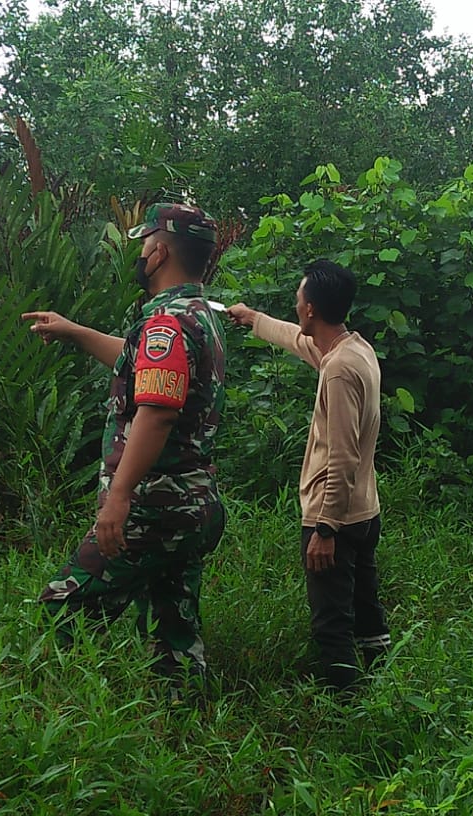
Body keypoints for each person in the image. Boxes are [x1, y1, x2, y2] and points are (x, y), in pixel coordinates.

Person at [21, 202, 226, 683]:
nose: (139, 255)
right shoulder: (197, 316)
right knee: (173, 628)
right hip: (192, 504)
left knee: (62, 609)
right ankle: (180, 721)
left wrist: (118, 498)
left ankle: (44, 707)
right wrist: (76, 332)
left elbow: (155, 413)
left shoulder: (165, 324)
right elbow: (145, 368)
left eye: (142, 245)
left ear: (158, 252)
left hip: (153, 507)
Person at [226, 260, 389, 690]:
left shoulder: (337, 371)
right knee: (365, 608)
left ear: (311, 309)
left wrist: (325, 528)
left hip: (336, 517)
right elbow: (300, 343)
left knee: (331, 623)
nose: (295, 305)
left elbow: (343, 457)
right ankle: (382, 680)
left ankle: (346, 710)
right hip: (364, 511)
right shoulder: (355, 350)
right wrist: (254, 319)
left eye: (299, 298)